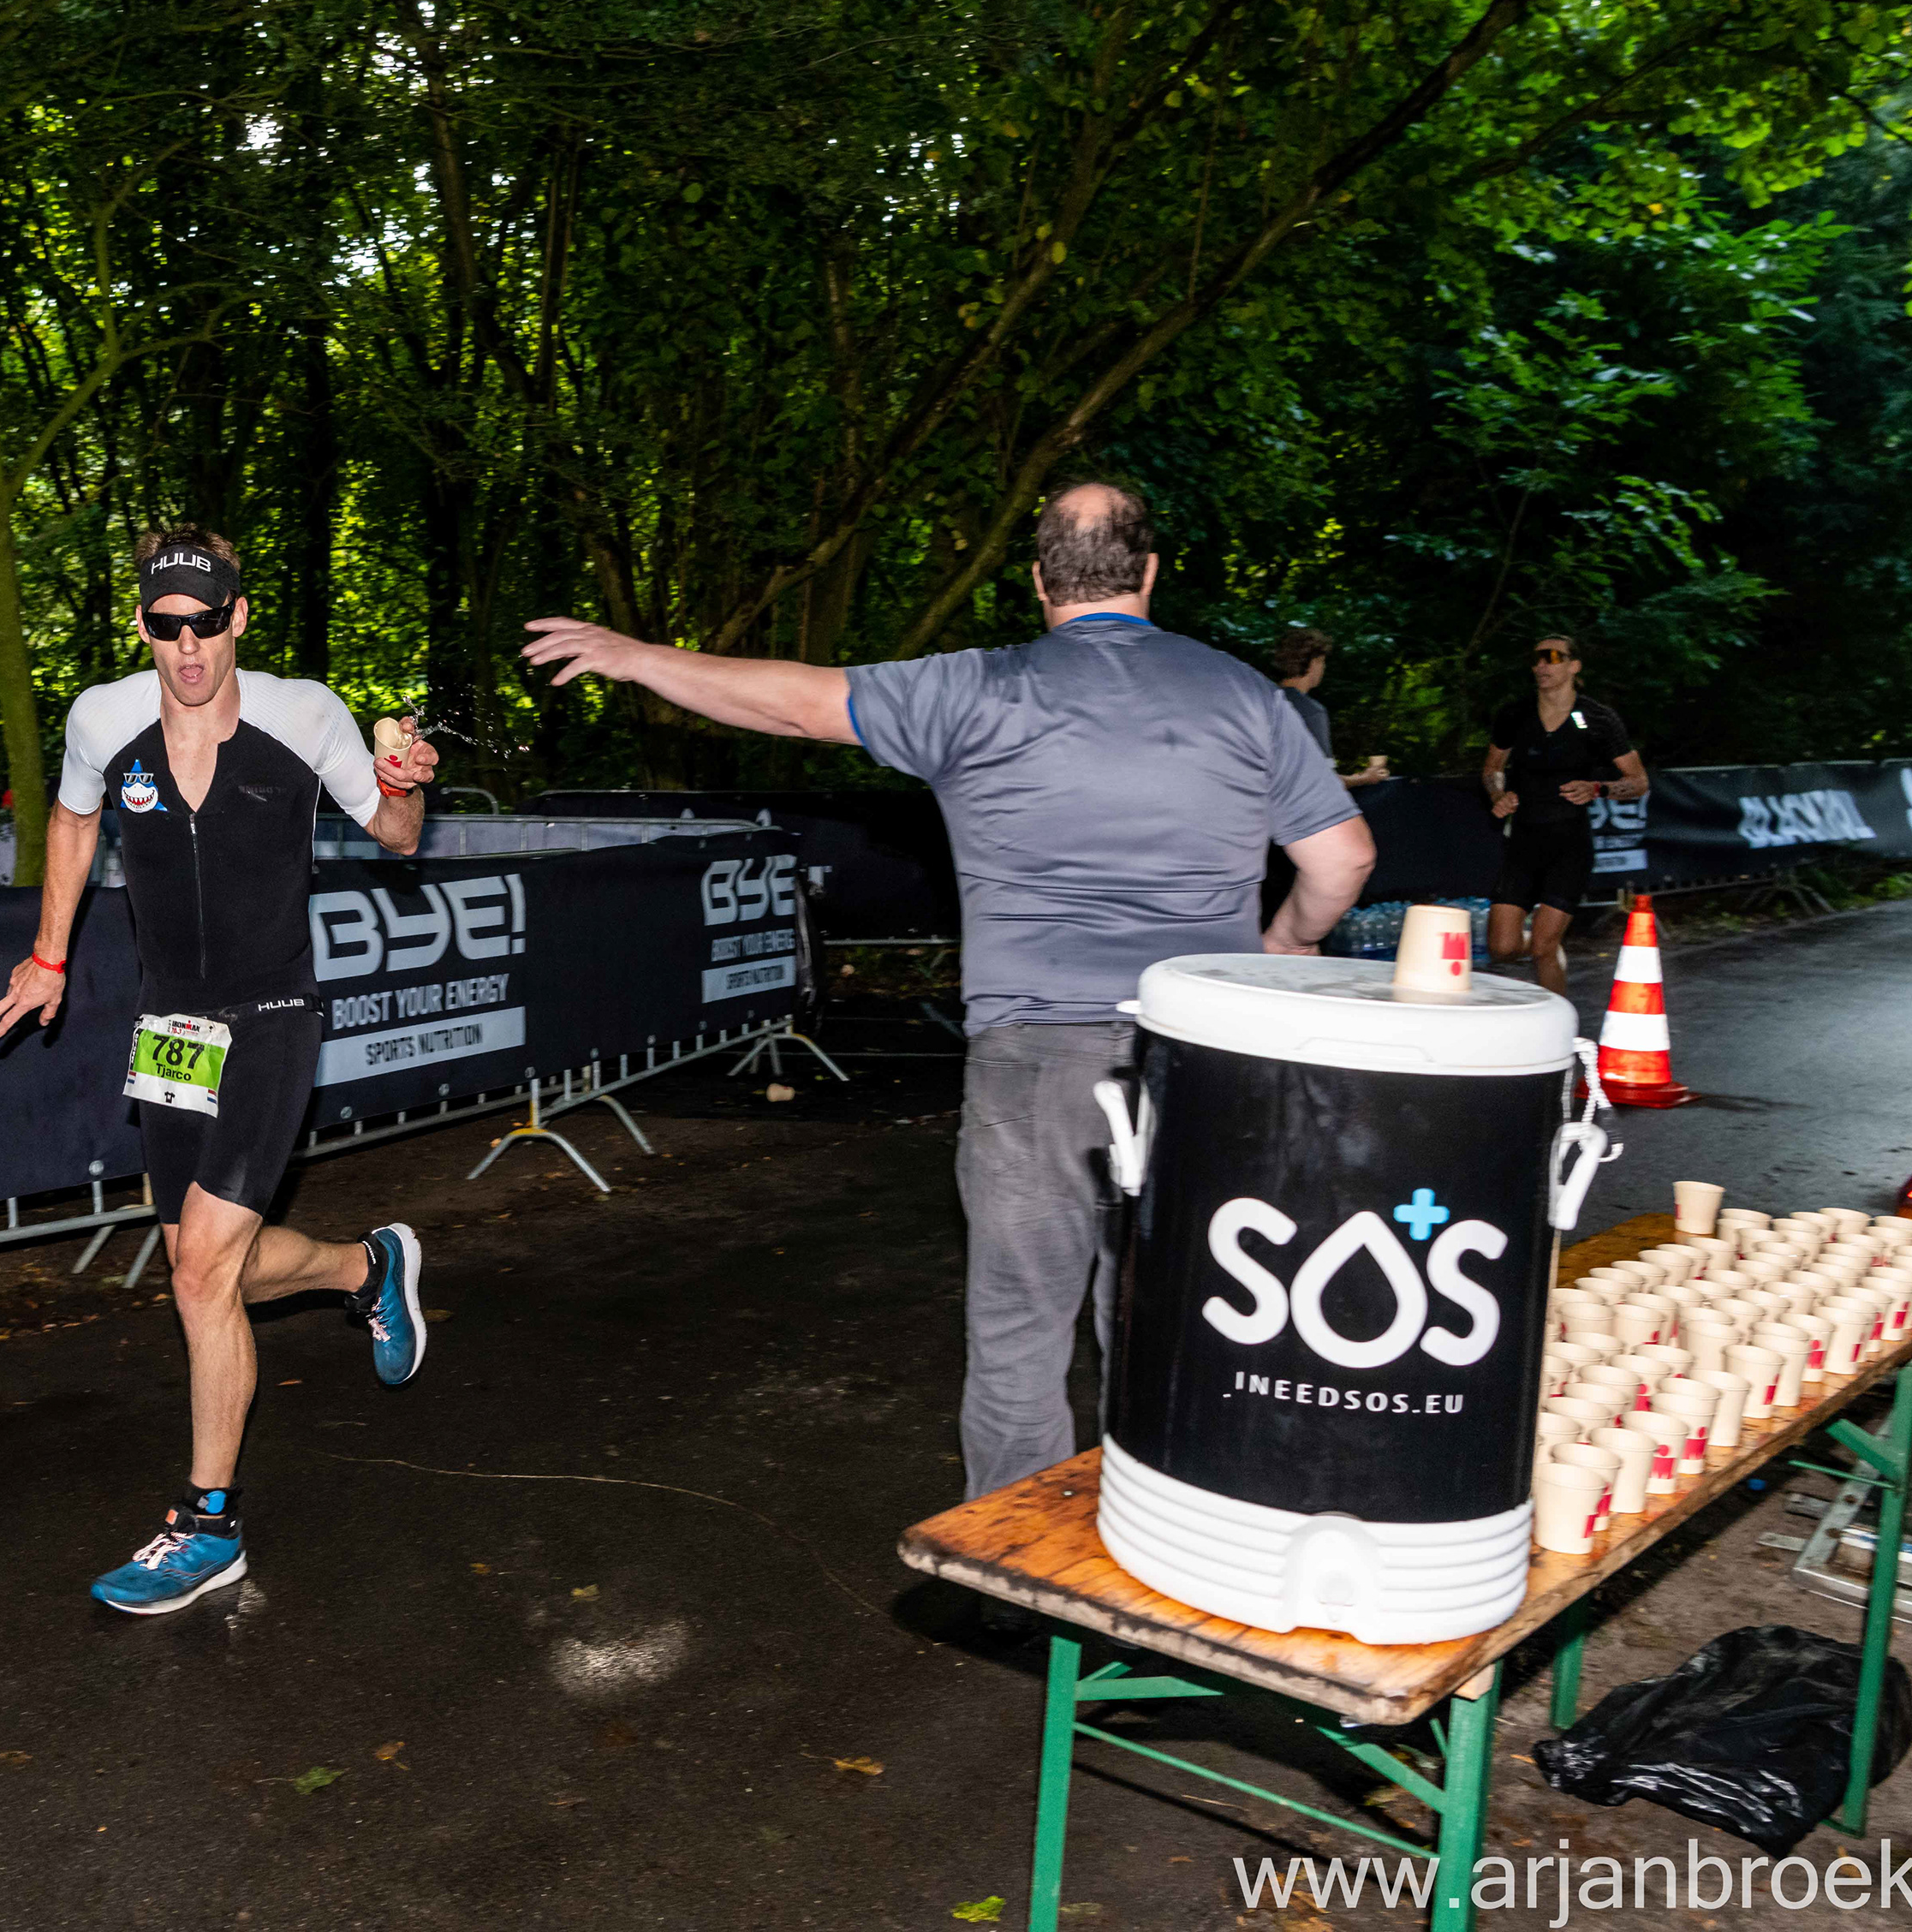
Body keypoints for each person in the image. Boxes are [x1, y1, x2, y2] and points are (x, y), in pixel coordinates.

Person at [521, 483, 1375, 1507]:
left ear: (1039, 580)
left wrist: (635, 655)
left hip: (1032, 1057)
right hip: (1195, 1057)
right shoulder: (1244, 695)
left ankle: (1011, 1557)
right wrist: (1284, 944)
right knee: (1163, 1320)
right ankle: (1169, 1530)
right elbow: (1343, 859)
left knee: (1020, 1327)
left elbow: (793, 701)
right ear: (1150, 571)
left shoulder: (979, 687)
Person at [0, 527, 443, 1615]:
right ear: (142, 625)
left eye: (204, 624)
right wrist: (49, 955)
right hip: (171, 1027)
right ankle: (366, 1268)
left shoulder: (305, 713)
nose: (187, 648)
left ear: (237, 617)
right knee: (204, 1266)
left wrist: (405, 779)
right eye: (165, 626)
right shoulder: (103, 719)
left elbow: (398, 832)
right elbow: (72, 819)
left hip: (274, 1012)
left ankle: (209, 1525)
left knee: (198, 1272)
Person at [1480, 629, 1650, 999]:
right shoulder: (1515, 714)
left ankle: (1560, 1021)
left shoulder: (1598, 718)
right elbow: (1492, 768)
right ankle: (1546, 944)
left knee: (1543, 947)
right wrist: (1498, 793)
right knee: (1502, 948)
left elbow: (1638, 782)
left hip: (1569, 846)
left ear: (1574, 666)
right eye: (1537, 658)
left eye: (1553, 658)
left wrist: (1597, 788)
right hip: (1523, 843)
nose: (1542, 665)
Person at [1270, 626, 1389, 785]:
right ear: (1314, 663)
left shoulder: (1262, 701)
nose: (1324, 667)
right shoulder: (1311, 712)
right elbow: (1325, 781)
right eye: (1323, 661)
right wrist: (1365, 778)